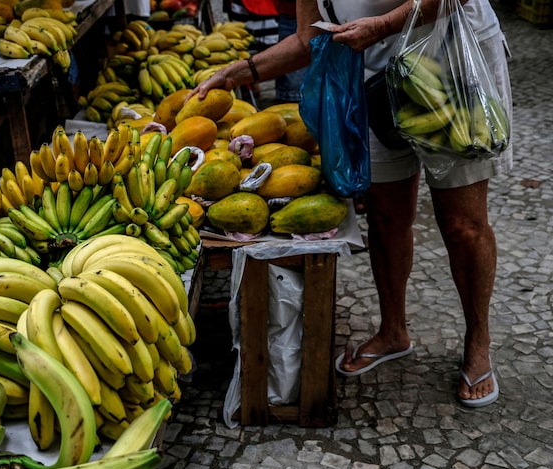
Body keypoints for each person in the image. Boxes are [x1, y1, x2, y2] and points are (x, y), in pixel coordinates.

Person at [189, 0, 512, 408]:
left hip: (451, 61)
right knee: (385, 215)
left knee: (463, 224)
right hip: (377, 82)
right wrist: (237, 73)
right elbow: (309, 39)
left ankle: (478, 342)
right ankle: (393, 330)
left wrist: (384, 25)